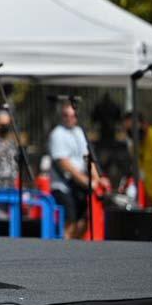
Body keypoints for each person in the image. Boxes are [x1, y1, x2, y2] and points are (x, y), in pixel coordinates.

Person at [47, 102, 109, 239]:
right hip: (63, 186)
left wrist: (97, 179)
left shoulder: (79, 132)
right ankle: (65, 250)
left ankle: (76, 248)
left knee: (85, 219)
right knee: (71, 220)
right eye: (66, 115)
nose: (70, 118)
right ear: (62, 116)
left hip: (79, 185)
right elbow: (64, 163)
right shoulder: (57, 134)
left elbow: (88, 159)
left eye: (73, 115)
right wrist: (86, 181)